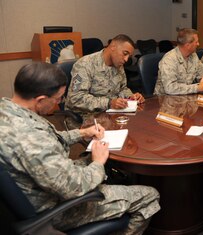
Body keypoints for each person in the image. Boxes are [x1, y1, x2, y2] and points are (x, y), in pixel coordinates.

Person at [0, 63, 160, 234]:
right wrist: (97, 162)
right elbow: (74, 187)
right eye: (58, 98)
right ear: (40, 99)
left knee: (108, 167)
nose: (59, 103)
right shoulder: (30, 138)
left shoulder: (9, 110)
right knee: (149, 196)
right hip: (55, 208)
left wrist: (82, 132)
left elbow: (48, 139)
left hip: (41, 184)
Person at [65, 34, 145, 116]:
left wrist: (131, 97)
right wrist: (108, 103)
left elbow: (122, 88)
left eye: (129, 56)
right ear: (113, 47)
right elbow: (76, 98)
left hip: (110, 115)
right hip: (85, 118)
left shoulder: (118, 64)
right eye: (125, 53)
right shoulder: (85, 64)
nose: (126, 59)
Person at [155, 28, 203, 95]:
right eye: (196, 42)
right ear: (187, 45)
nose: (198, 44)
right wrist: (198, 88)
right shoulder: (169, 59)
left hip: (184, 97)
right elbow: (170, 88)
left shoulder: (193, 56)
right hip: (164, 100)